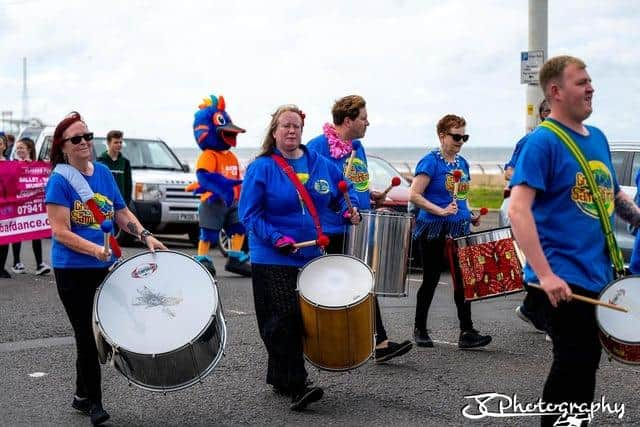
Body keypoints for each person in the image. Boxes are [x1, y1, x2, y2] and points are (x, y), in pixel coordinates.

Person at [508, 55, 640, 426]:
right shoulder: (543, 141)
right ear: (556, 91)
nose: (591, 87)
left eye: (590, 80)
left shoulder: (597, 138)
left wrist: (638, 218)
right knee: (574, 364)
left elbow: (612, 195)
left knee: (583, 367)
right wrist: (546, 275)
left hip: (597, 273)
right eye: (581, 82)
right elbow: (519, 210)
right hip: (562, 278)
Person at [45, 112, 166, 425]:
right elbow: (60, 231)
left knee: (104, 330)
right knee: (87, 336)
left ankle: (81, 395)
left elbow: (122, 211)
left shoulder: (102, 173)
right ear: (63, 146)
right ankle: (94, 404)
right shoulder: (59, 181)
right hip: (72, 269)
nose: (84, 142)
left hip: (103, 265)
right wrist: (94, 249)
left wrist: (145, 235)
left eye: (87, 136)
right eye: (76, 139)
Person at [239, 104, 360, 411]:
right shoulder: (262, 167)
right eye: (285, 126)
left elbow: (335, 198)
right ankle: (298, 385)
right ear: (274, 132)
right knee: (282, 319)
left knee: (298, 319)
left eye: (296, 126)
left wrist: (348, 212)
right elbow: (249, 214)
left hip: (310, 253)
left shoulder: (320, 163)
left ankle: (281, 376)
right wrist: (276, 238)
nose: (291, 131)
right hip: (272, 255)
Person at [306, 94, 413, 362]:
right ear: (347, 120)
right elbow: (312, 189)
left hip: (357, 225)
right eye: (364, 118)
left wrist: (370, 196)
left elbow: (355, 184)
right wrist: (339, 207)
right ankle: (332, 343)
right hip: (330, 229)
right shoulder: (317, 147)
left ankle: (377, 341)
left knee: (362, 283)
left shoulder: (358, 147)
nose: (368, 123)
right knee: (335, 286)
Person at [409, 114, 491, 349]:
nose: (460, 141)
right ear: (442, 135)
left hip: (458, 228)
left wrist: (471, 214)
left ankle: (467, 331)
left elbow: (462, 198)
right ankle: (420, 328)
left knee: (463, 281)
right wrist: (440, 211)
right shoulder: (430, 162)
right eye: (456, 136)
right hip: (433, 229)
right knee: (432, 279)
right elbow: (414, 195)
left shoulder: (462, 164)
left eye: (464, 136)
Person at [503, 100, 551, 334]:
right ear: (545, 114)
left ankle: (531, 307)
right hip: (534, 212)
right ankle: (538, 312)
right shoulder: (531, 140)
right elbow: (509, 170)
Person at [3, 138, 51, 275]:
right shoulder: (13, 165)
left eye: (22, 148)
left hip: (32, 205)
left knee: (36, 232)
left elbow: (42, 183)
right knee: (17, 233)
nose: (19, 151)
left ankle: (39, 264)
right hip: (17, 204)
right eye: (17, 148)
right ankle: (17, 262)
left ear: (29, 149)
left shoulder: (38, 166)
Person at [96, 130, 132, 206]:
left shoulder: (125, 162)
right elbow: (97, 184)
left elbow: (128, 186)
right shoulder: (100, 161)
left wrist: (126, 203)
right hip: (104, 204)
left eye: (120, 142)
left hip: (120, 204)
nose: (119, 145)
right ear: (108, 143)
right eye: (116, 142)